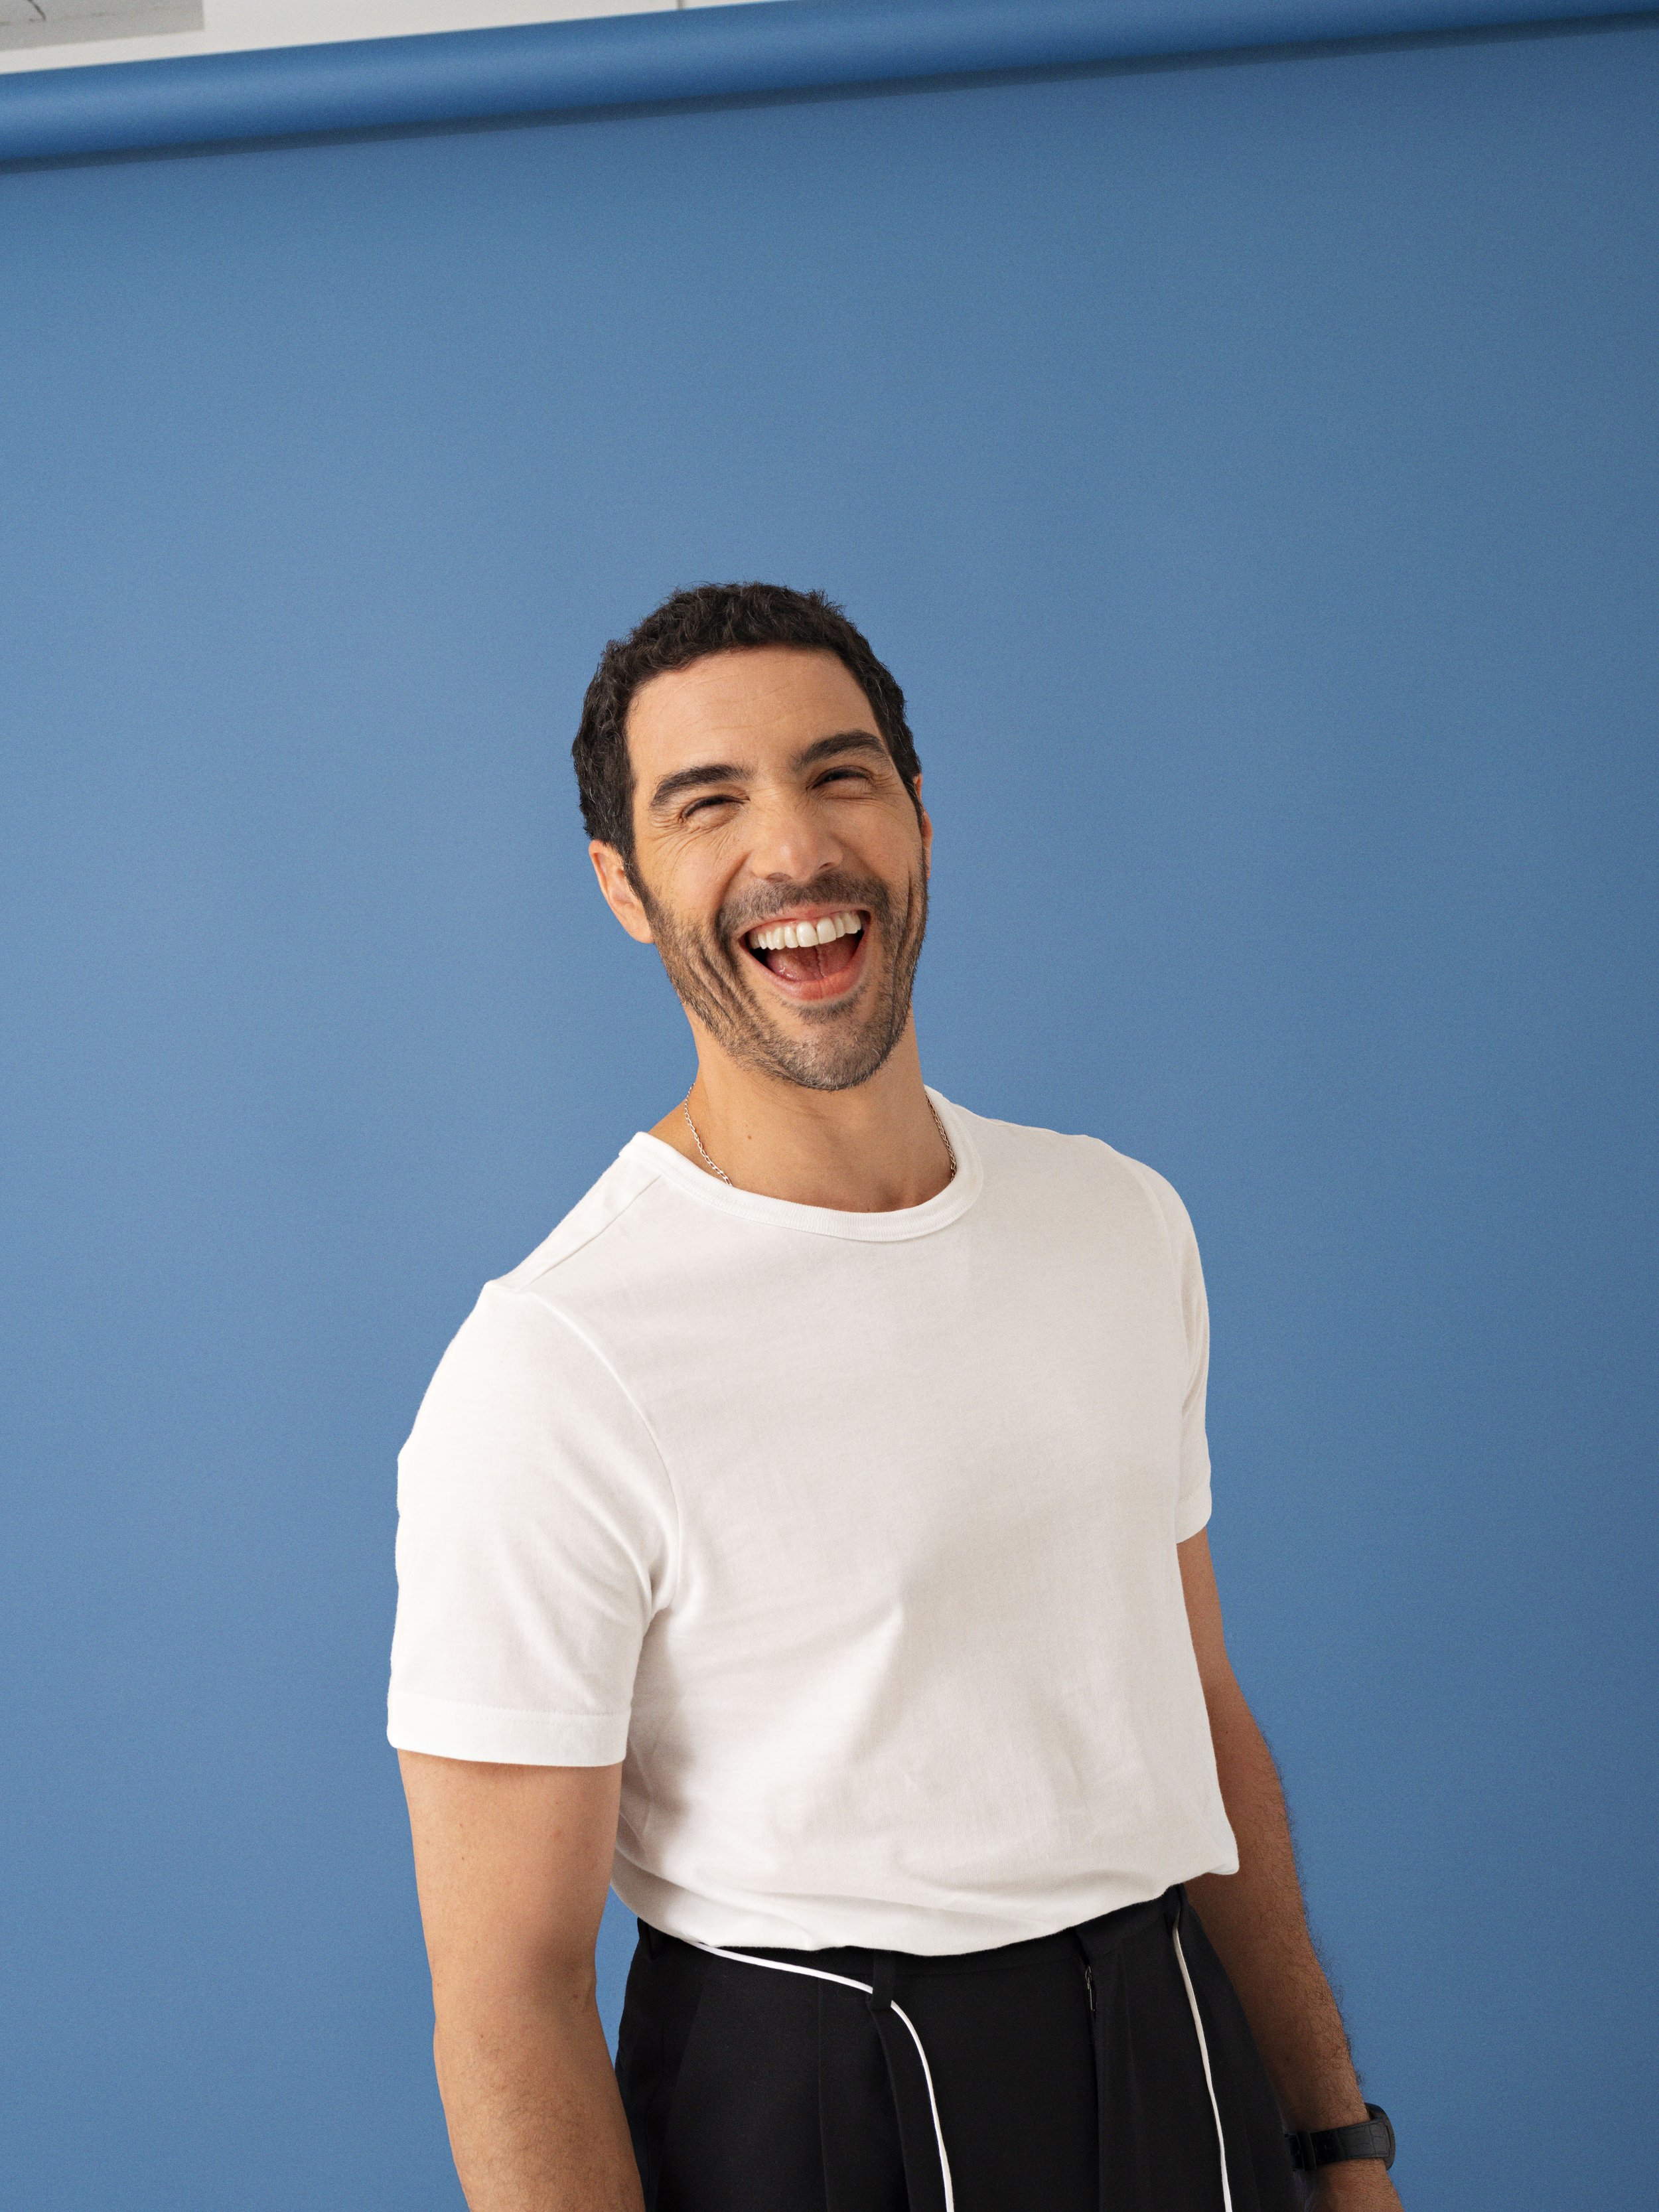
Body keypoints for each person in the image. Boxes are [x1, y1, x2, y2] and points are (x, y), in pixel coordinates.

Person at [388, 583, 1403, 2212]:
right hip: (815, 2108)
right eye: (704, 802)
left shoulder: (1117, 1221)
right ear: (624, 889)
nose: (792, 847)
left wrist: (1332, 2136)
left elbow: (1195, 1711)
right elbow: (506, 1990)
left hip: (1181, 2068)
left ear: (920, 820)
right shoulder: (553, 1362)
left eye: (838, 773)